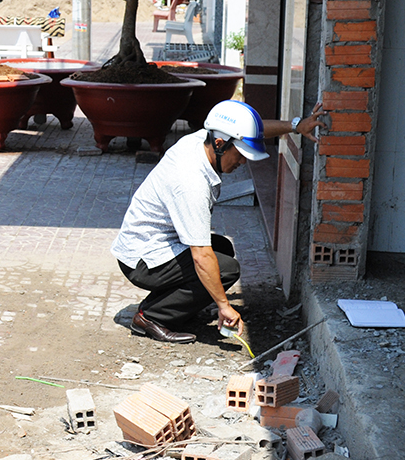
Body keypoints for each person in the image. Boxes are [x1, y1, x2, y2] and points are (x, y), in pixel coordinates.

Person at [114, 100, 327, 343]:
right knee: (225, 268)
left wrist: (295, 126)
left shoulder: (204, 139)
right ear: (219, 144)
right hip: (142, 259)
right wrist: (224, 306)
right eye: (240, 155)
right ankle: (152, 316)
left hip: (153, 244)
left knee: (223, 249)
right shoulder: (191, 183)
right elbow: (200, 256)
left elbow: (252, 132)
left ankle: (175, 306)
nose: (243, 162)